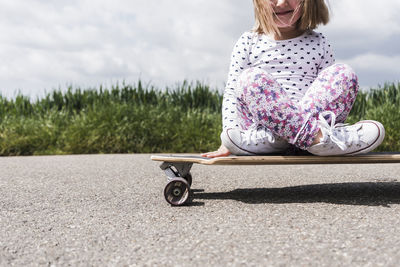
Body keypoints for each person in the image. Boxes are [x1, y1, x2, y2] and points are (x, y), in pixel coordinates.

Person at [202, 0, 385, 158]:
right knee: (249, 79)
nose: (281, 2)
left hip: (310, 119)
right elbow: (232, 93)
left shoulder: (319, 42)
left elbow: (329, 96)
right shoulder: (248, 42)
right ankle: (316, 139)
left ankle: (301, 138)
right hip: (261, 132)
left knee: (343, 73)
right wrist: (227, 138)